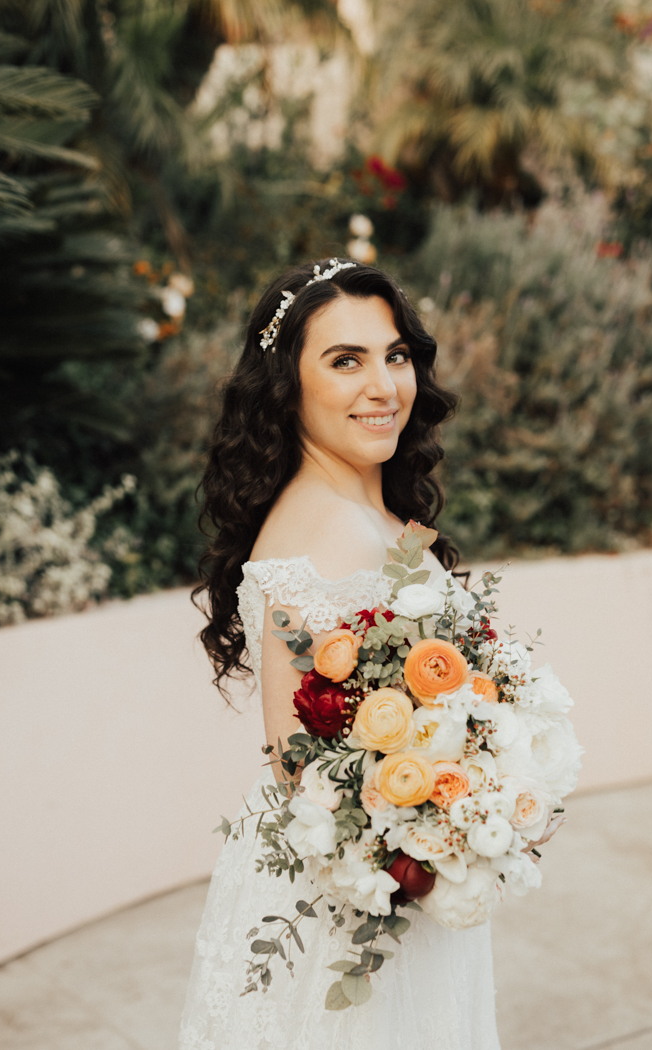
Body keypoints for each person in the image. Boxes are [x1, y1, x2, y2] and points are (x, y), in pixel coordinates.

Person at [179, 258, 502, 1050]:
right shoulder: (320, 534)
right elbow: (304, 773)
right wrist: (451, 809)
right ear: (287, 385)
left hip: (400, 880)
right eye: (345, 361)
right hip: (347, 910)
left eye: (394, 356)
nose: (384, 385)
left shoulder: (365, 513)